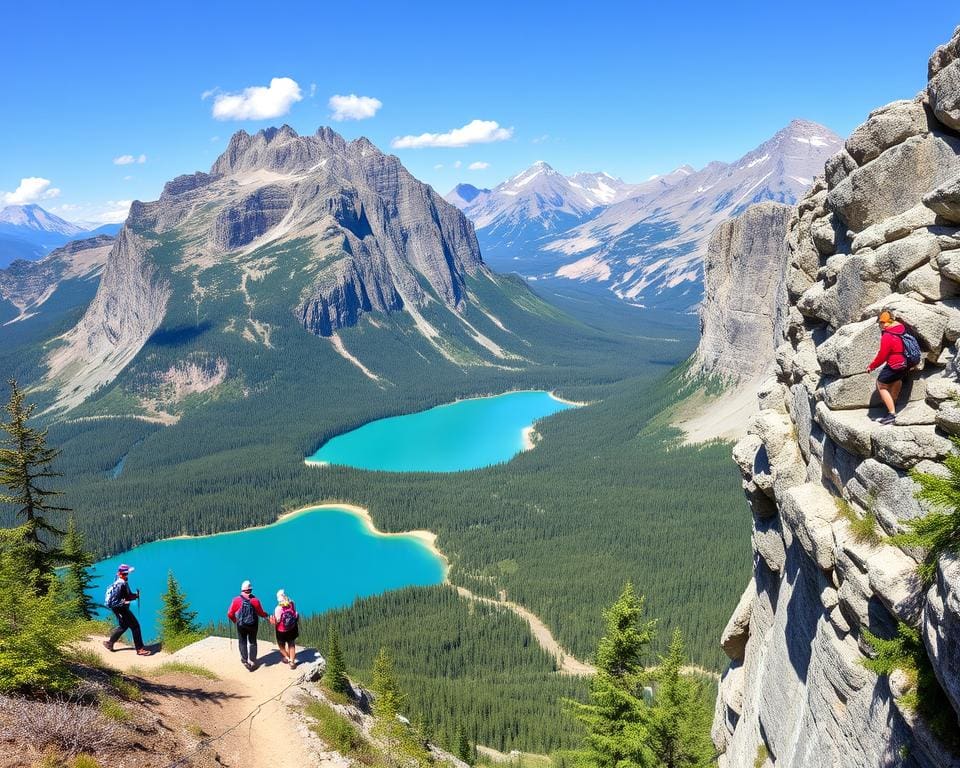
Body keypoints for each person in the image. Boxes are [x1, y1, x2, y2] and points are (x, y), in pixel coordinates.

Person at [867, 310, 910, 425]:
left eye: (880, 323)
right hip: (905, 363)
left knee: (881, 385)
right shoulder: (901, 329)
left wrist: (872, 366)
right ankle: (893, 405)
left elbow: (882, 355)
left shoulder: (888, 335)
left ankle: (891, 414)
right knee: (897, 380)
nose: (880, 326)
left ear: (883, 322)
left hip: (894, 363)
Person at [103, 564, 152, 656]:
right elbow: (122, 599)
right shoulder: (121, 584)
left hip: (119, 608)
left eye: (127, 574)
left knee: (123, 626)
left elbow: (126, 596)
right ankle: (140, 649)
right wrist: (132, 598)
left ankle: (110, 643)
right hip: (121, 609)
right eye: (125, 574)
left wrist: (134, 596)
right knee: (135, 626)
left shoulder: (120, 582)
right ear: (121, 574)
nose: (127, 575)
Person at [227, 580, 269, 670]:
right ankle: (253, 661)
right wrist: (267, 615)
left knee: (242, 641)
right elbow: (261, 613)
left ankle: (245, 660)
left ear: (242, 590)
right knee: (253, 642)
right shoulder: (255, 600)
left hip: (241, 624)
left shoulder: (236, 600)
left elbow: (230, 614)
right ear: (250, 590)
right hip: (253, 625)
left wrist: (235, 621)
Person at [270, 589, 300, 668]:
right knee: (291, 644)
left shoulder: (278, 608)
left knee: (281, 646)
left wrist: (272, 621)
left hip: (281, 631)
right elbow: (295, 614)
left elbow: (277, 621)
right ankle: (292, 662)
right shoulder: (292, 603)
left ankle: (287, 658)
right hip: (292, 628)